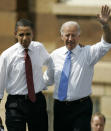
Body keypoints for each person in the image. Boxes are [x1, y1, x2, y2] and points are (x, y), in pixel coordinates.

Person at [44, 5, 111, 131]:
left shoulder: (88, 53)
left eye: (74, 35)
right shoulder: (55, 55)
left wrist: (105, 26)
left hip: (81, 108)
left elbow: (106, 43)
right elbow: (48, 78)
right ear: (62, 36)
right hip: (60, 107)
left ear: (79, 36)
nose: (70, 39)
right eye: (67, 35)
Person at [0, 18, 49, 131]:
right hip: (15, 105)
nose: (25, 38)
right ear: (15, 34)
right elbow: (0, 84)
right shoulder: (7, 56)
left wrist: (45, 81)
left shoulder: (39, 48)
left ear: (33, 33)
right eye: (21, 34)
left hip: (37, 102)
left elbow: (51, 63)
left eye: (28, 34)